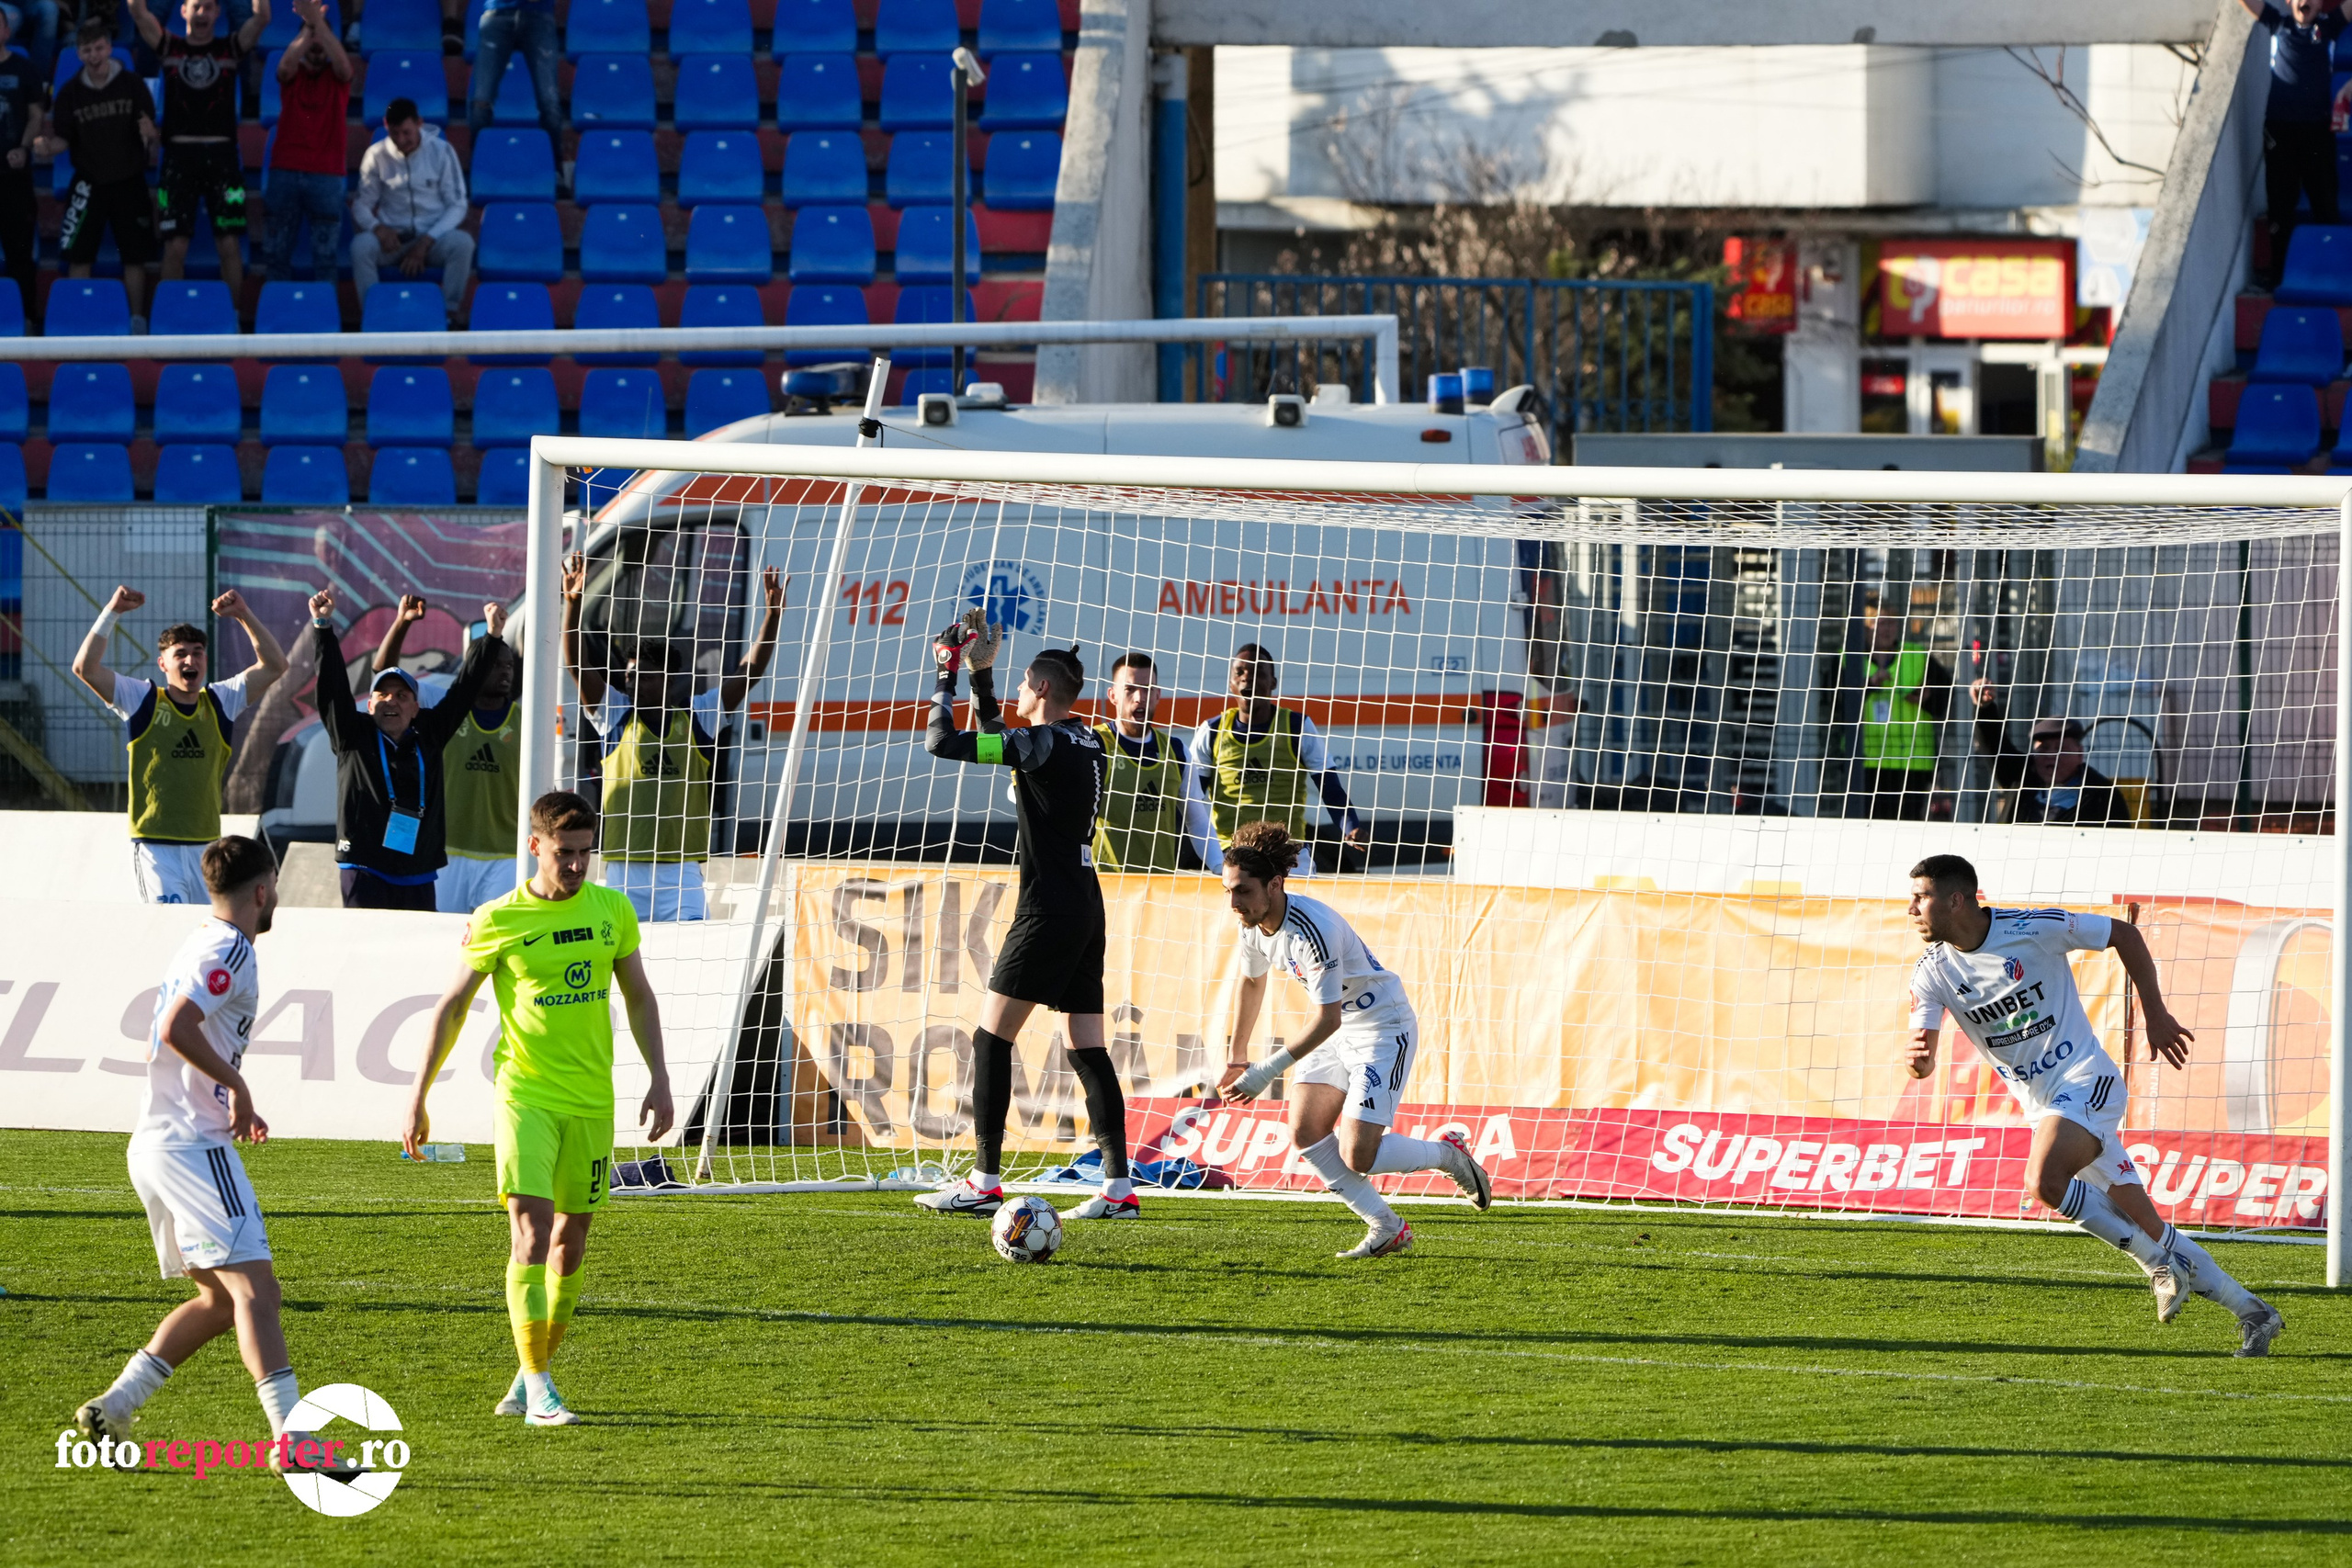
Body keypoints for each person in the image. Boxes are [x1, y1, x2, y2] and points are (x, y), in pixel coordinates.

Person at [1904, 854, 2283, 1356]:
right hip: (2044, 1106)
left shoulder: (2031, 927)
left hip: (2087, 1081)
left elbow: (2124, 935)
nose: (1911, 909)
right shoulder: (1932, 972)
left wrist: (2155, 1013)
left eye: (1920, 897)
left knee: (2043, 1182)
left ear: (1955, 899)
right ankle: (2255, 1313)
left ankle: (2155, 1265)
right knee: (2150, 1224)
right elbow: (1921, 1059)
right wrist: (1917, 1062)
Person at [72, 836, 363, 1480]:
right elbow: (178, 1026)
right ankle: (294, 1440)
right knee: (259, 1292)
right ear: (262, 889)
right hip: (191, 1144)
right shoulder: (229, 945)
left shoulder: (200, 939)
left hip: (155, 1142)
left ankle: (115, 1404)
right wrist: (238, 1088)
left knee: (219, 1299)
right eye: (275, 887)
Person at [405, 790, 673, 1427]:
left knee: (570, 1244)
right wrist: (419, 1093)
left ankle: (530, 1372)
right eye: (564, 852)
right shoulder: (498, 916)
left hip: (591, 1099)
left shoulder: (613, 909)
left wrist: (661, 1077)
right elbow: (453, 1005)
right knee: (529, 1232)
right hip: (524, 1093)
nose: (576, 865)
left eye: (585, 852)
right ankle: (541, 1387)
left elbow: (638, 995)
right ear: (535, 846)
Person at [915, 607, 1136, 1221]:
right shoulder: (1084, 737)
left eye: (1019, 684)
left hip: (1048, 906)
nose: (1014, 693)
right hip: (1085, 901)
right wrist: (984, 678)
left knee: (991, 1036)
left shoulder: (1040, 742)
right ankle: (1119, 1189)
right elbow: (1006, 742)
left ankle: (984, 1180)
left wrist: (947, 669)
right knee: (1086, 1046)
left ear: (1040, 688)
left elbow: (943, 742)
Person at [1217, 820, 1489, 1259]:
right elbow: (1251, 983)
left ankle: (1448, 1155)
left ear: (1275, 884)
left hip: (1382, 1028)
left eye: (1242, 891)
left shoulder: (1312, 930)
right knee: (1306, 1132)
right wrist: (1237, 1056)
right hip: (1338, 1029)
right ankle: (1386, 1225)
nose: (1233, 902)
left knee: (1358, 1154)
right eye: (1228, 889)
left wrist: (1264, 1072)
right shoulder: (1251, 922)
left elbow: (1326, 1019)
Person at [560, 551, 784, 922]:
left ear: (669, 680)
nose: (633, 683)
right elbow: (577, 665)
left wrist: (772, 618)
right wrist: (573, 604)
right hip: (622, 871)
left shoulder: (698, 716)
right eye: (630, 676)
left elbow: (748, 674)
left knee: (690, 966)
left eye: (644, 676)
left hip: (680, 873)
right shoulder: (615, 714)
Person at [72, 585, 288, 904]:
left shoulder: (220, 702)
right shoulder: (142, 700)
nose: (191, 660)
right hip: (157, 850)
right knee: (167, 931)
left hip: (207, 848)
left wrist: (243, 614)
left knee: (203, 933)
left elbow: (275, 665)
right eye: (180, 654)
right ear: (163, 664)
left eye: (198, 652)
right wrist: (113, 611)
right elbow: (84, 668)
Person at [304, 586, 506, 909]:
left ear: (416, 706)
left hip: (417, 871)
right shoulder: (351, 735)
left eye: (401, 695)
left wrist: (492, 637)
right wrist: (323, 628)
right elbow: (332, 689)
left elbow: (464, 689)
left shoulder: (430, 732)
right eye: (382, 694)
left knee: (415, 957)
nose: (391, 701)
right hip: (364, 866)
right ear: (369, 705)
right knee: (365, 953)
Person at [374, 592, 523, 912]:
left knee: (496, 941)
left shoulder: (527, 721)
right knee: (443, 939)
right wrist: (402, 622)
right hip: (446, 851)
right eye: (495, 664)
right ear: (475, 664)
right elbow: (384, 674)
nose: (505, 672)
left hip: (506, 857)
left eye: (509, 665)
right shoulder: (443, 706)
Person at [127, 0, 266, 304]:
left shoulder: (231, 47)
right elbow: (137, 10)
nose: (202, 13)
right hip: (178, 157)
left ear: (218, 13)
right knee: (175, 246)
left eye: (208, 7)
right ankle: (169, 316)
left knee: (229, 244)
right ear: (183, 12)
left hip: (224, 158)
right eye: (196, 6)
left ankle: (232, 322)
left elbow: (262, 17)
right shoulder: (169, 46)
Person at [1190, 643, 1364, 877]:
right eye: (1239, 672)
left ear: (1273, 683)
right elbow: (1191, 799)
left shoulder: (1297, 727)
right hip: (1232, 854)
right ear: (1231, 683)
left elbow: (1330, 786)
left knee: (1298, 912)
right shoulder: (1211, 731)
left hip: (1288, 854)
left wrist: (1350, 826)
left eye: (1258, 672)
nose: (1247, 679)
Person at [38, 20, 160, 324]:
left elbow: (150, 134)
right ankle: (82, 318)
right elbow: (63, 139)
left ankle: (135, 320)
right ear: (78, 53)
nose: (94, 55)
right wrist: (47, 147)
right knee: (79, 255)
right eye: (87, 50)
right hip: (89, 181)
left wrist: (151, 134)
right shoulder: (69, 93)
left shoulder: (132, 84)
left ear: (109, 48)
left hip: (129, 179)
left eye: (99, 48)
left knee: (134, 256)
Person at [2240, 0, 2352, 287]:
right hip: (2280, 130)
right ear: (2289, 1)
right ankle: (2279, 276)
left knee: (2325, 204)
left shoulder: (2329, 26)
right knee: (2280, 207)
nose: (2306, 1)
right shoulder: (2278, 24)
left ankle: (2333, 273)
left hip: (2317, 130)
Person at [1090, 651, 1221, 874]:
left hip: (1158, 891)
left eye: (1147, 689)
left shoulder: (1177, 752)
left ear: (1158, 695)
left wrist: (1220, 866)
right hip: (1106, 889)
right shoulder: (1094, 744)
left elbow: (1197, 821)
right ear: (1113, 696)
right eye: (1130, 689)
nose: (1140, 697)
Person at [349, 96, 472, 325]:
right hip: (392, 240)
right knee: (361, 247)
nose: (401, 140)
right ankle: (372, 315)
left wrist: (427, 240)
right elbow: (361, 205)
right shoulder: (376, 156)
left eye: (407, 132)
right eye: (395, 133)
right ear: (387, 127)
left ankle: (448, 314)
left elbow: (457, 204)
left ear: (419, 124)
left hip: (433, 237)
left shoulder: (442, 152)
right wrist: (378, 229)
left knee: (463, 244)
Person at [261, 0, 349, 283]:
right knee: (276, 256)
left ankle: (328, 321)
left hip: (326, 174)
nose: (315, 44)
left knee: (325, 259)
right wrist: (311, 26)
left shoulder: (338, 80)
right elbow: (285, 65)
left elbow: (345, 67)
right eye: (310, 39)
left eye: (320, 39)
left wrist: (318, 25)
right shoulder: (293, 75)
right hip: (286, 169)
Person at [1967, 680, 2133, 826]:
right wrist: (1985, 708)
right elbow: (1994, 744)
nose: (2051, 755)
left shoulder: (2103, 797)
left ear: (2079, 754)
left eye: (2061, 749)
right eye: (2043, 748)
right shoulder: (2021, 778)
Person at [1850, 604, 1949, 821]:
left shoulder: (1917, 656)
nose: (1887, 629)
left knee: (1907, 828)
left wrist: (1928, 697)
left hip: (1912, 763)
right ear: (1866, 627)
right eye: (1880, 623)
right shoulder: (1849, 658)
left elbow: (1946, 699)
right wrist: (1868, 685)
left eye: (1892, 622)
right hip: (1865, 763)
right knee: (1865, 826)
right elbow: (1833, 703)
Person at [466, 0, 560, 151]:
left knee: (549, 102)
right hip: (497, 14)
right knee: (481, 100)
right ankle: (477, 161)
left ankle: (555, 167)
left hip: (539, 15)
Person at [0, 7, 43, 325]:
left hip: (14, 176)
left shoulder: (25, 69)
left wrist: (25, 148)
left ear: (6, 30)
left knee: (20, 254)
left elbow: (36, 116)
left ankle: (26, 318)